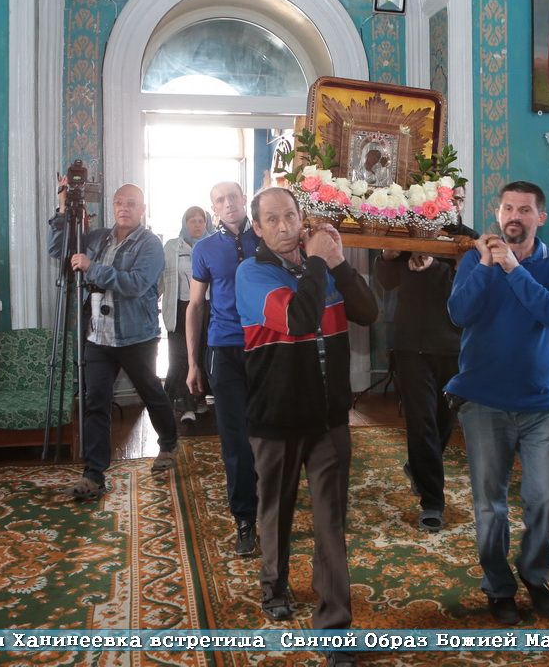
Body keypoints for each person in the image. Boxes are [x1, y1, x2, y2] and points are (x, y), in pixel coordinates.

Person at [235, 187, 377, 666]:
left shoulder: (322, 268)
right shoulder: (251, 273)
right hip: (276, 417)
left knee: (330, 523)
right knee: (275, 510)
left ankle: (334, 628)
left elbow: (368, 312)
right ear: (258, 228)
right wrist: (318, 262)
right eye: (272, 219)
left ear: (302, 218)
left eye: (290, 216)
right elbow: (298, 319)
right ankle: (273, 585)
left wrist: (337, 263)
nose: (283, 226)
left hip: (329, 419)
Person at [445, 180, 549, 624]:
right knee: (490, 504)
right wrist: (486, 265)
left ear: (540, 217)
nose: (514, 216)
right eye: (507, 208)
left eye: (524, 209)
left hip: (541, 403)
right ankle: (499, 587)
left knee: (546, 496)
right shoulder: (474, 260)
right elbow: (459, 314)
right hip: (483, 399)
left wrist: (514, 269)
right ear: (498, 214)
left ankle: (534, 574)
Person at [47, 181, 177, 501]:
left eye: (131, 203)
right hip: (98, 336)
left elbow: (135, 284)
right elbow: (59, 250)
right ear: (113, 206)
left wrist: (92, 268)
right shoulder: (99, 237)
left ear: (142, 209)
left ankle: (168, 443)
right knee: (95, 401)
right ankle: (94, 474)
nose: (124, 208)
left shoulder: (150, 244)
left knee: (151, 392)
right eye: (119, 202)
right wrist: (62, 208)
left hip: (136, 336)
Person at [374, 185, 477, 532]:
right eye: (448, 197)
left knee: (444, 422)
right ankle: (433, 502)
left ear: (462, 203)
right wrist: (388, 256)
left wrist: (435, 266)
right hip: (411, 345)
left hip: (454, 346)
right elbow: (386, 282)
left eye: (458, 198)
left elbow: (469, 293)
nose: (453, 203)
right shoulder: (410, 232)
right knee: (422, 423)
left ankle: (418, 468)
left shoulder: (469, 241)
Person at [186, 181, 261, 555]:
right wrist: (192, 363)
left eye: (233, 197)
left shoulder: (266, 234)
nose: (228, 204)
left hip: (267, 345)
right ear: (213, 207)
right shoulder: (205, 248)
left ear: (244, 199)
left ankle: (275, 497)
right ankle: (245, 518)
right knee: (234, 437)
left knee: (270, 430)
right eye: (220, 200)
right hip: (224, 347)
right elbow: (196, 306)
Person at [161, 206, 213, 424]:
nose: (197, 225)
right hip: (180, 308)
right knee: (181, 356)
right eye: (192, 221)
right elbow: (162, 277)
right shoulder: (172, 246)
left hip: (207, 307)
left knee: (202, 355)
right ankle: (185, 405)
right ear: (185, 223)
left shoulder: (213, 245)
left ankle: (199, 398)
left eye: (201, 220)